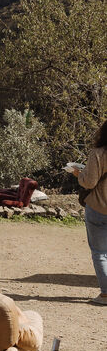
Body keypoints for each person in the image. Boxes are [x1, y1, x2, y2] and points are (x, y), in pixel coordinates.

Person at [71, 118, 107, 306]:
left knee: (100, 252)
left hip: (99, 207)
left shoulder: (98, 153)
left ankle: (106, 294)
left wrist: (79, 174)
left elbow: (90, 182)